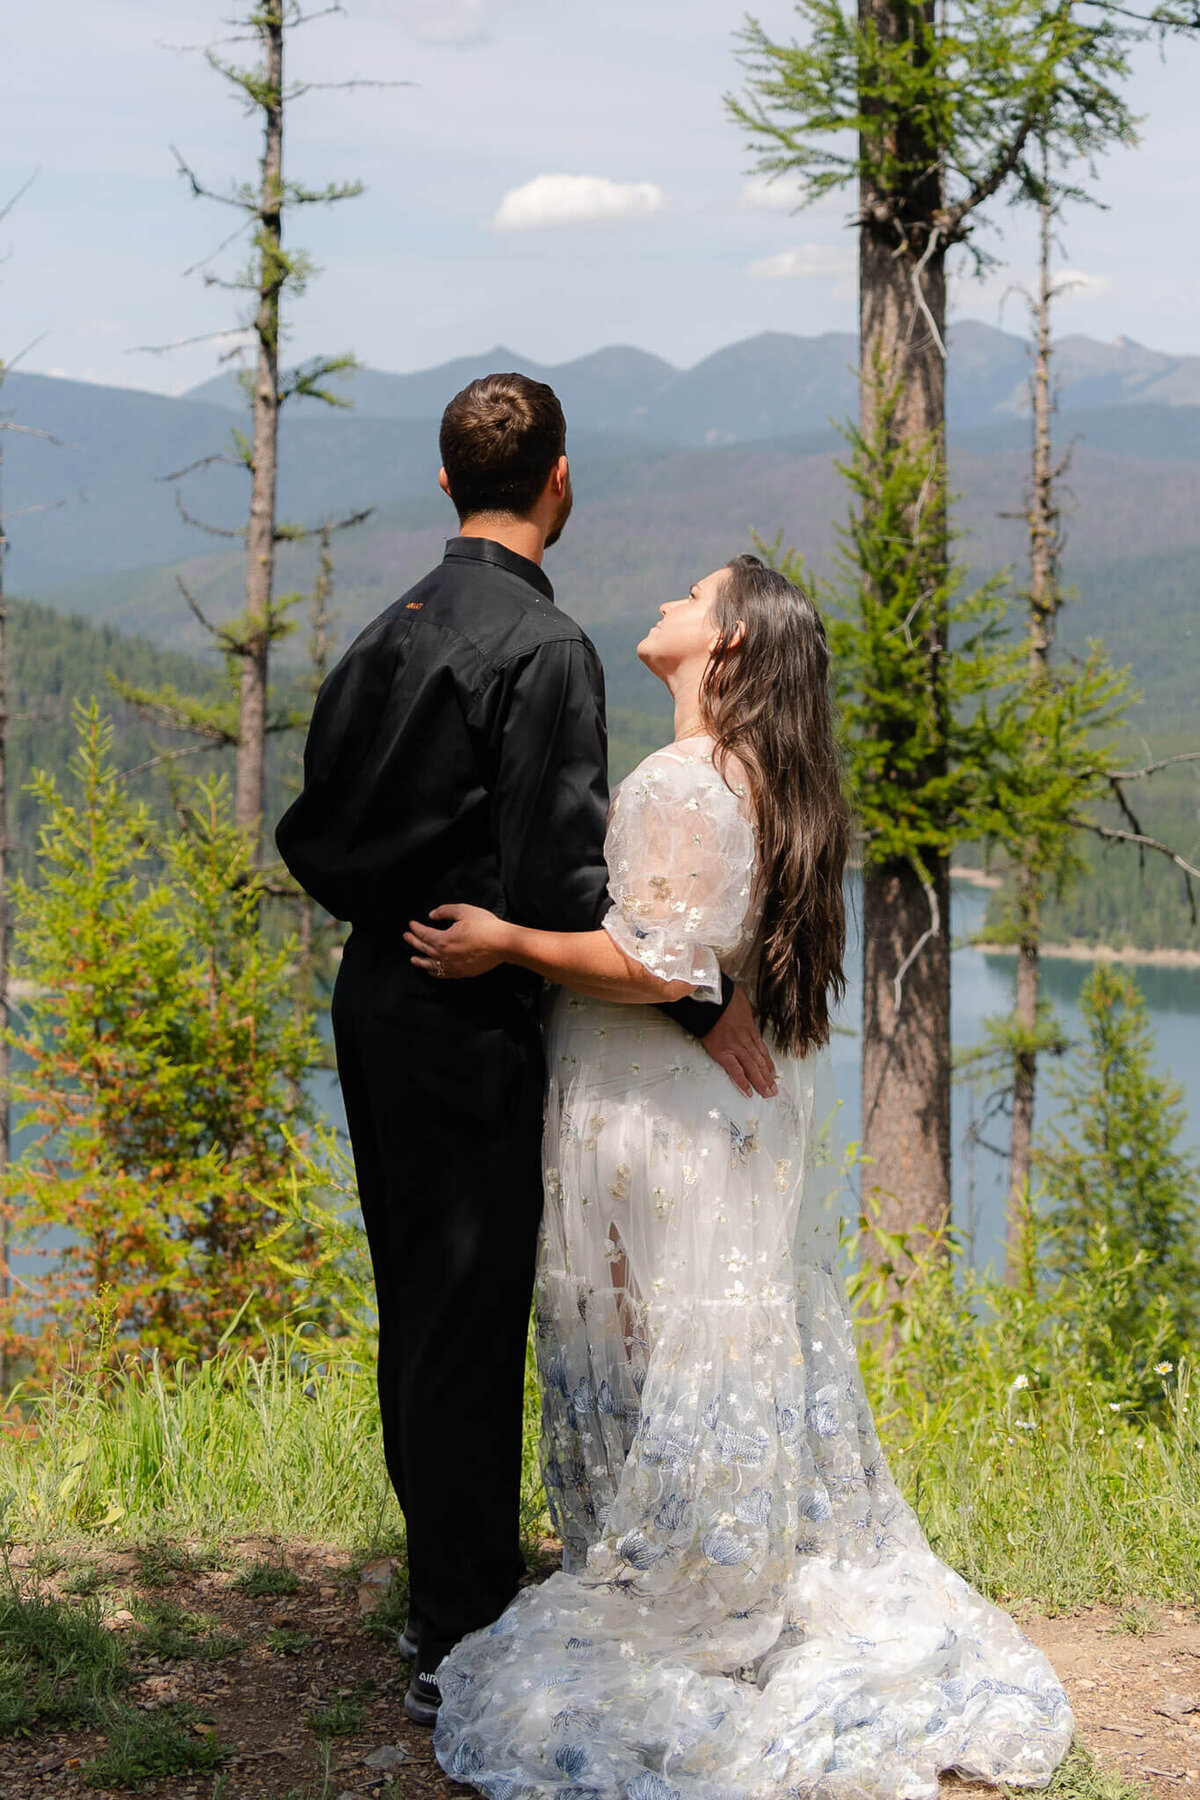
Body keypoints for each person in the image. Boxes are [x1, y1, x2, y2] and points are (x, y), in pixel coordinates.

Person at [406, 555, 1074, 1800]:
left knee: (645, 1339)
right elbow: (709, 969)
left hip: (655, 1107)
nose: (664, 600)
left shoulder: (681, 779)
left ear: (727, 651)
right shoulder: (765, 783)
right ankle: (707, 1555)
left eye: (692, 597)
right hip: (719, 1107)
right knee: (704, 1341)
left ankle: (672, 1573)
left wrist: (502, 940)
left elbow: (654, 967)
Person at [274, 375, 777, 1727]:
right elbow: (563, 881)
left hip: (378, 990)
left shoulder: (387, 634)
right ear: (562, 481)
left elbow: (310, 834)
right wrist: (694, 1000)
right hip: (472, 1011)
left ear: (447, 484)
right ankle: (460, 1629)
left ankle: (444, 1591)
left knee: (418, 1305)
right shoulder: (546, 653)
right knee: (471, 1310)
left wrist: (393, 916)